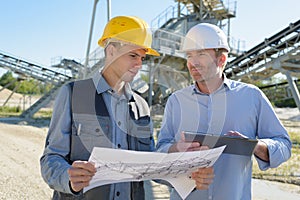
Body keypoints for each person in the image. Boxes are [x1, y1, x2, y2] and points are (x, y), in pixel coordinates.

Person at [156, 23, 292, 200]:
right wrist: (176, 150)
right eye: (189, 55)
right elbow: (159, 152)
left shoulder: (251, 97)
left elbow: (284, 145)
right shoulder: (176, 101)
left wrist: (255, 146)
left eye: (201, 54)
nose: (192, 62)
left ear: (222, 59)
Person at [40, 15, 161, 200]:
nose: (139, 64)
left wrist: (177, 156)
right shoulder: (73, 94)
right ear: (111, 51)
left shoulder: (141, 106)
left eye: (142, 58)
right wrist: (68, 176)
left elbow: (151, 163)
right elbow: (51, 158)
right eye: (133, 55)